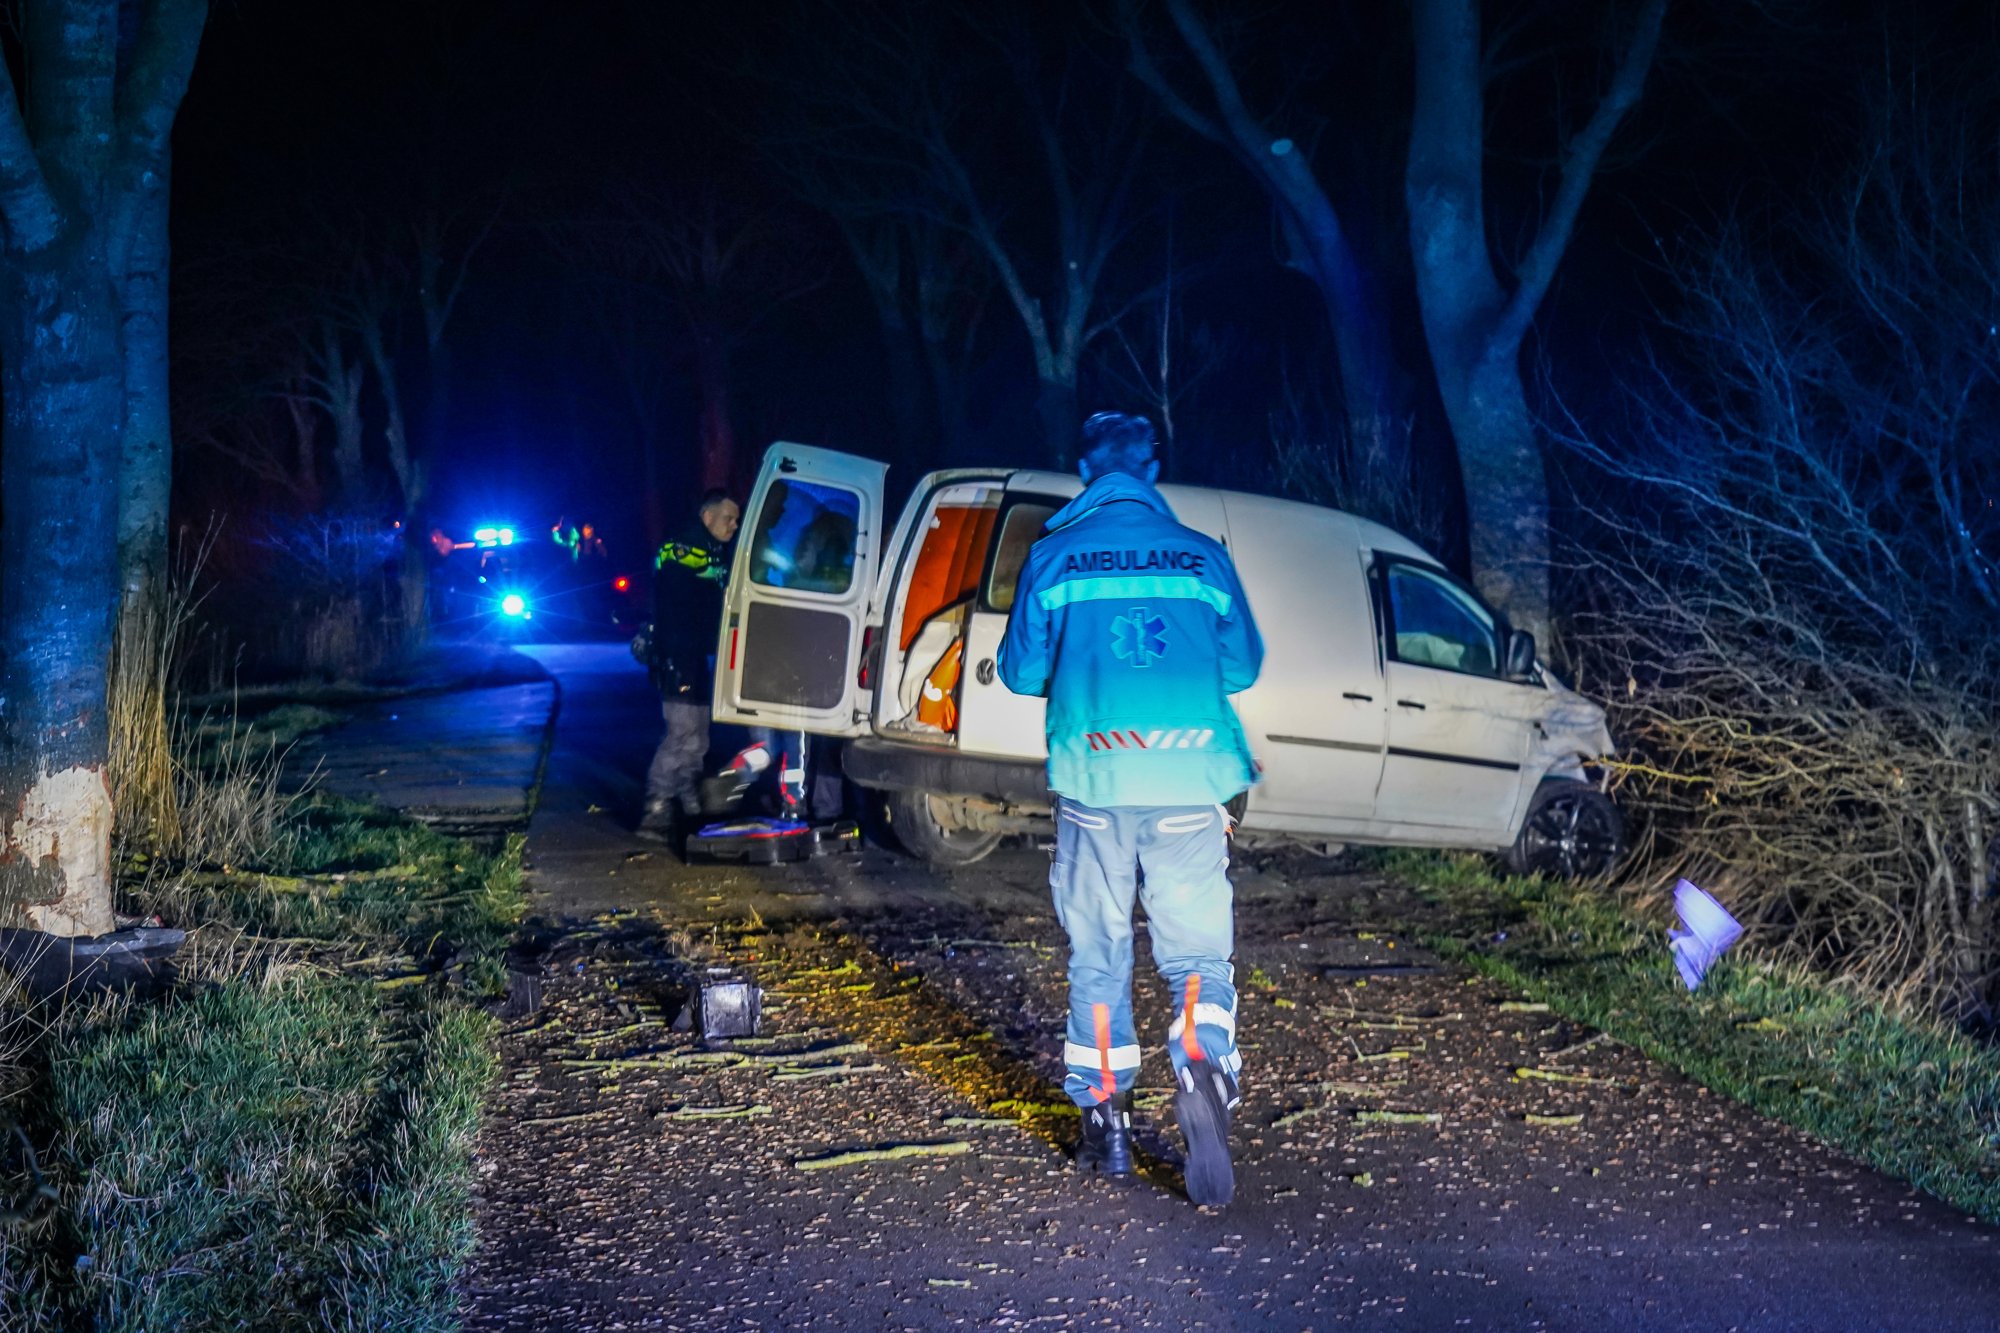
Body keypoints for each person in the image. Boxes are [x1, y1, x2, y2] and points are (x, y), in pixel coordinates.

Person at [997, 411, 1264, 1208]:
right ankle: (1201, 1055)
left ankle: (1108, 1125)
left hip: (1095, 782)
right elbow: (1243, 666)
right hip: (1189, 780)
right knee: (1196, 954)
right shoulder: (1203, 554)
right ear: (1152, 468)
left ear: (1084, 469)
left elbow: (1020, 672)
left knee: (1100, 952)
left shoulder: (1052, 555)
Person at [639, 489, 741, 842]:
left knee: (698, 738)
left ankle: (688, 803)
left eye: (736, 519)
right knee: (681, 733)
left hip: (696, 655)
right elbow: (678, 603)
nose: (734, 525)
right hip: (678, 654)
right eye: (728, 518)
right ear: (707, 516)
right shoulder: (682, 549)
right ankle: (656, 807)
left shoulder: (713, 550)